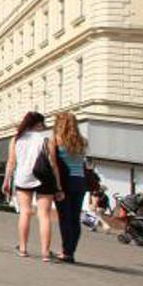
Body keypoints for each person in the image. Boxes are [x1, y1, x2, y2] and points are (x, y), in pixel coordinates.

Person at [2, 111, 63, 261]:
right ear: (39, 124)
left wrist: (6, 181)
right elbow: (54, 165)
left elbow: (11, 162)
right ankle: (45, 253)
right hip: (44, 178)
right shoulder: (46, 139)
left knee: (25, 212)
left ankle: (22, 249)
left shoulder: (16, 139)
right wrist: (59, 186)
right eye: (43, 124)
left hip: (23, 178)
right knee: (44, 215)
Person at [51, 111, 89, 264]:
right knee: (74, 218)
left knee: (64, 218)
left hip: (65, 181)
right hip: (80, 182)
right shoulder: (82, 141)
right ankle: (71, 251)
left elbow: (54, 165)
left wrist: (58, 186)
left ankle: (66, 252)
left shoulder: (55, 140)